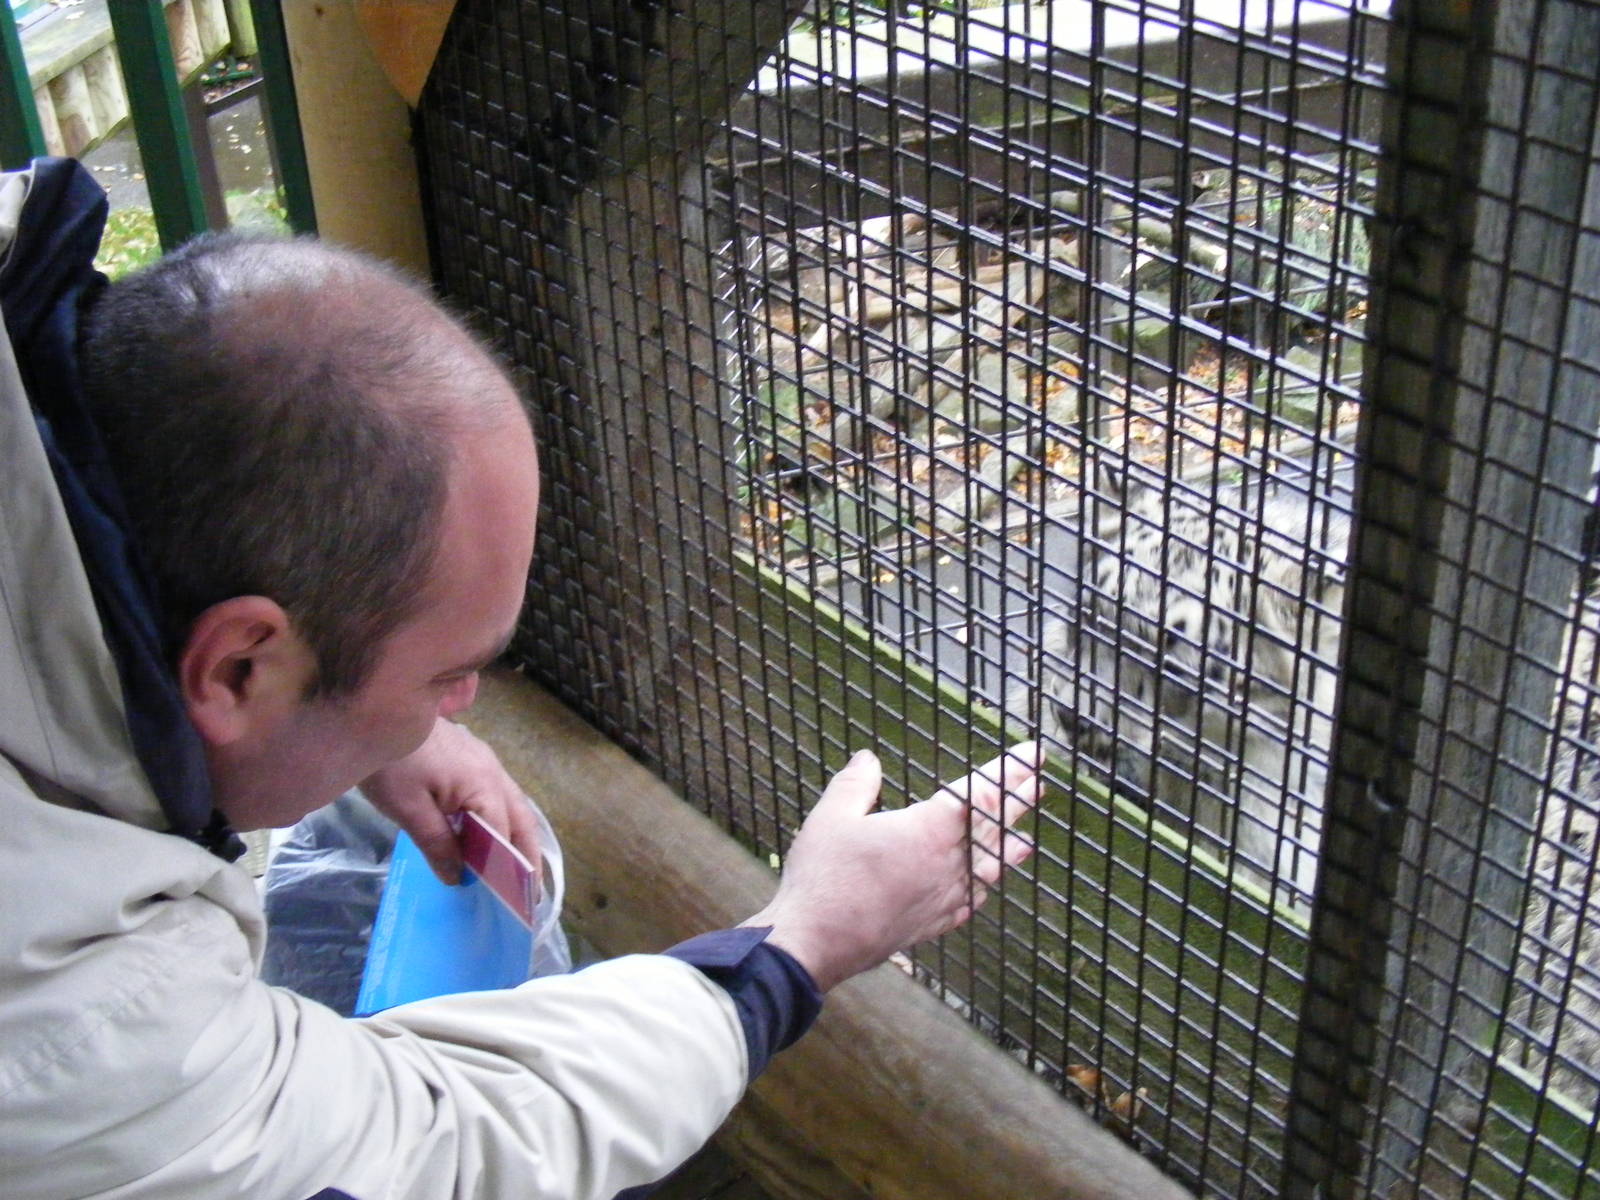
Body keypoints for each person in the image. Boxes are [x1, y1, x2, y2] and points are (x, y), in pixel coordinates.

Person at [0, 158, 1039, 1199]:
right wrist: (798, 944)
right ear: (238, 670)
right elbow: (435, 1150)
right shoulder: (80, 1022)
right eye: (446, 677)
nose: (457, 712)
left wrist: (362, 716)